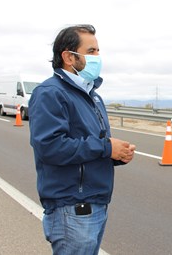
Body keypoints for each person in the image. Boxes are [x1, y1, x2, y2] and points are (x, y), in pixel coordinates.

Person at [29, 24, 136, 255]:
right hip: (72, 206)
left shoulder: (91, 95)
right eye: (92, 51)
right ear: (68, 56)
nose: (98, 57)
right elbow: (50, 147)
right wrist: (106, 148)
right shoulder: (50, 93)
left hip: (94, 203)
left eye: (98, 51)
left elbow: (92, 144)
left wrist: (116, 153)